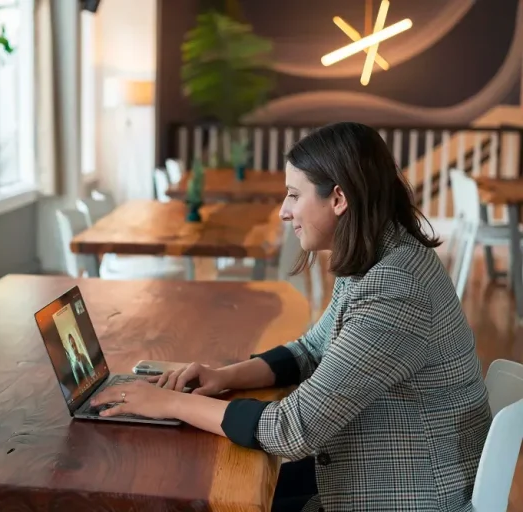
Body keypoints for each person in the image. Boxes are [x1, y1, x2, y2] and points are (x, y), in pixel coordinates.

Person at [90, 122, 492, 512]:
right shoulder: (378, 255)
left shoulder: (397, 287)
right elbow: (312, 350)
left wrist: (170, 405)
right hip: (374, 469)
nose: (284, 211)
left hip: (407, 495)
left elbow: (293, 429)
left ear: (338, 198)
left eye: (294, 195)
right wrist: (223, 376)